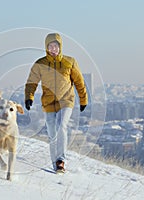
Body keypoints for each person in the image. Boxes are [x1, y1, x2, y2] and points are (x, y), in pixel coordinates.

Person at [24, 33, 88, 173]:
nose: (53, 49)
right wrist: (29, 97)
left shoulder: (69, 62)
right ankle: (55, 163)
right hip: (49, 102)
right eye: (50, 46)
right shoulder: (40, 64)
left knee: (61, 126)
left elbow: (79, 82)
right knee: (52, 132)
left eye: (56, 46)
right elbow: (31, 82)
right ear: (46, 48)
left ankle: (61, 160)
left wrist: (83, 99)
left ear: (60, 47)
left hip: (66, 100)